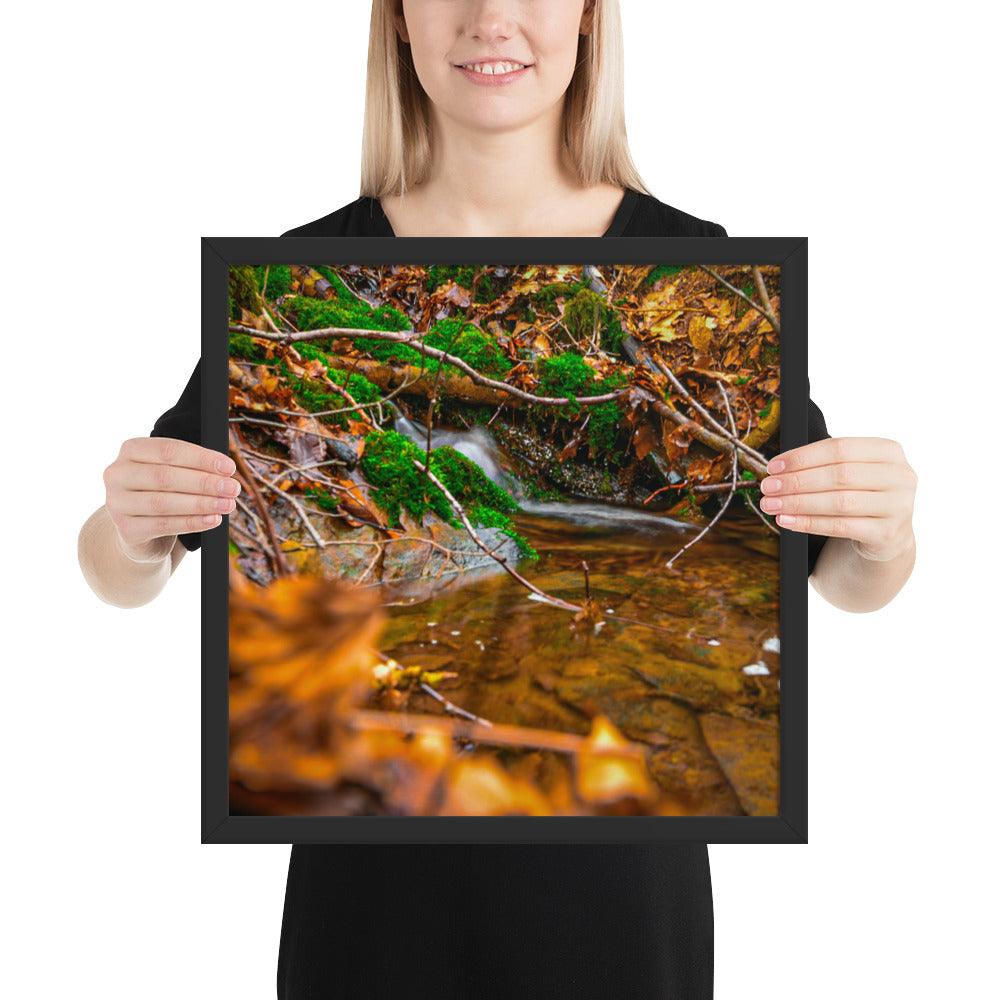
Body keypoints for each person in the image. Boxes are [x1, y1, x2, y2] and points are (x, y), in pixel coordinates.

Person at [77, 1, 918, 996]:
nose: (491, 19)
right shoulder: (300, 270)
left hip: (619, 906)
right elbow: (119, 568)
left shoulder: (698, 262)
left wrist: (883, 532)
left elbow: (840, 577)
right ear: (396, 21)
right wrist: (132, 529)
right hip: (368, 909)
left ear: (590, 20)